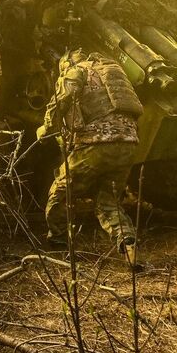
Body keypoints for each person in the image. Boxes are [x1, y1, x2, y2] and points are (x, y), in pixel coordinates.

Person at [39, 48, 143, 258]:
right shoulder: (112, 72)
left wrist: (45, 129)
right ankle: (128, 244)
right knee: (109, 201)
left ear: (67, 63)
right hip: (128, 143)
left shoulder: (76, 72)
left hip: (95, 143)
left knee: (61, 191)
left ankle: (58, 241)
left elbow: (59, 103)